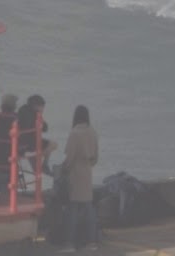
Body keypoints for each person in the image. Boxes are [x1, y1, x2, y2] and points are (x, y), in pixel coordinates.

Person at [60, 105, 100, 253]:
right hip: (87, 173)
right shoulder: (92, 132)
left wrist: (63, 169)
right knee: (89, 209)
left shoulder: (74, 133)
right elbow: (96, 157)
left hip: (75, 174)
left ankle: (70, 243)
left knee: (72, 209)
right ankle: (92, 242)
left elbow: (69, 158)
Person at [16, 94, 57, 173]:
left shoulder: (23, 110)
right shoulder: (34, 114)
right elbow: (44, 128)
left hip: (20, 142)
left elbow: (43, 128)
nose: (43, 109)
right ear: (36, 105)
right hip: (29, 143)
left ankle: (37, 164)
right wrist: (39, 116)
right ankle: (44, 165)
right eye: (42, 106)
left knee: (42, 147)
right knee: (53, 144)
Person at [0, 94, 19, 192]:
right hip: (8, 159)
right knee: (7, 182)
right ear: (14, 106)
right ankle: (7, 197)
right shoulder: (16, 120)